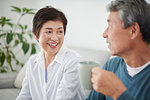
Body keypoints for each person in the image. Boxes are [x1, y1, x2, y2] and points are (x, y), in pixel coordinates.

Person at [16, 6, 85, 100]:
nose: (55, 38)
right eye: (49, 32)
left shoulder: (73, 61)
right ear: (36, 35)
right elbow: (25, 95)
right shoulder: (33, 61)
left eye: (60, 31)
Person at [86, 0, 150, 100]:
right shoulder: (111, 66)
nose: (104, 34)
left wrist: (117, 93)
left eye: (110, 26)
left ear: (133, 31)